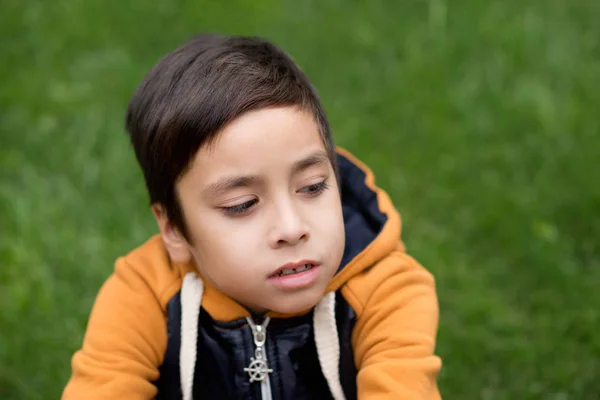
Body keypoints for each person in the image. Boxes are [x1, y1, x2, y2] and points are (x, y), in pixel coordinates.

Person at [62, 33, 442, 400]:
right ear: (174, 229)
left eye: (311, 187)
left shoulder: (388, 290)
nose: (292, 229)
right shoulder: (142, 296)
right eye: (242, 204)